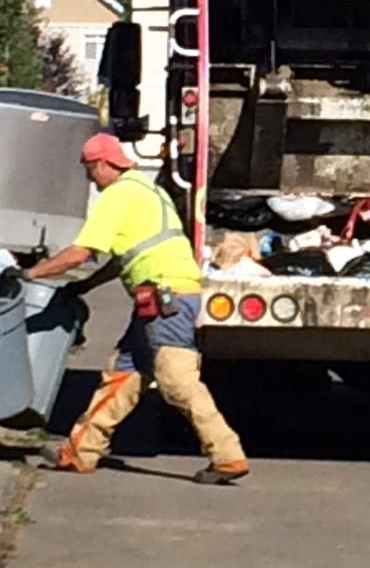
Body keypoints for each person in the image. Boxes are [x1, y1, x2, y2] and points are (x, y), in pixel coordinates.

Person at [15, 133, 249, 484]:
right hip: (163, 297)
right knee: (122, 375)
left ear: (103, 164)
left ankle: (227, 455)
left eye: (90, 170)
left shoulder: (118, 195)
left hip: (166, 297)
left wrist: (30, 274)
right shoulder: (147, 190)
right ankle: (81, 451)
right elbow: (123, 258)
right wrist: (85, 286)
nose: (91, 179)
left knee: (177, 380)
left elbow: (81, 252)